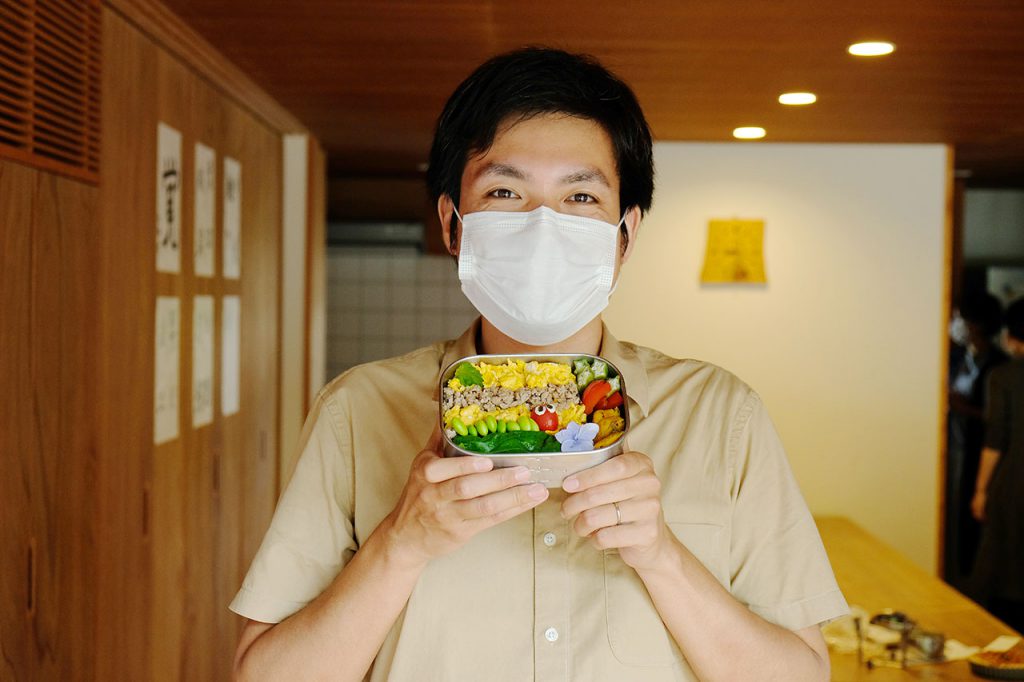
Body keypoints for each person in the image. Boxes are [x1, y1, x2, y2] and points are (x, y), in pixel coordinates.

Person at [229, 48, 848, 682]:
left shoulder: (720, 415)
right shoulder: (357, 410)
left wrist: (662, 555)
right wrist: (401, 542)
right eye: (504, 191)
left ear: (625, 234)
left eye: (581, 195)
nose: (543, 227)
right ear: (452, 225)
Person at [944, 291, 1007, 589]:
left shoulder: (998, 365)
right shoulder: (958, 356)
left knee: (973, 521)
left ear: (976, 324)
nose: (957, 323)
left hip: (978, 452)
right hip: (954, 450)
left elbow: (998, 419)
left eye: (961, 318)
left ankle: (971, 583)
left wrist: (962, 408)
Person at [970, 297, 1024, 633]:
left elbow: (995, 439)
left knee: (1006, 568)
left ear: (1011, 336)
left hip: (1014, 482)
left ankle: (1007, 641)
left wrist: (980, 490)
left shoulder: (1004, 376)